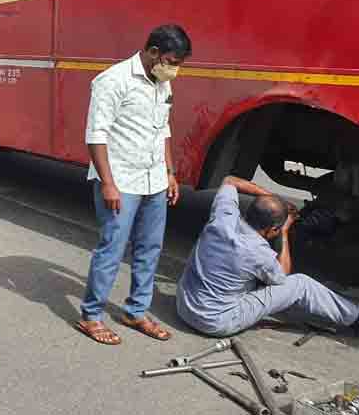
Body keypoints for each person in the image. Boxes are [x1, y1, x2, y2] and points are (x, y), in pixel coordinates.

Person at [75, 24, 191, 345]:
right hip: (121, 180)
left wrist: (169, 172)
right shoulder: (112, 81)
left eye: (179, 63)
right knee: (112, 249)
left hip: (154, 178)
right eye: (171, 61)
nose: (174, 69)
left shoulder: (161, 82)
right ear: (153, 52)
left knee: (149, 249)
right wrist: (108, 184)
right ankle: (91, 316)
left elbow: (163, 129)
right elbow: (96, 136)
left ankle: (136, 311)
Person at [176, 176, 359, 337]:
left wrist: (271, 198)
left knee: (252, 278)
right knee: (301, 284)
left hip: (184, 307)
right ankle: (355, 316)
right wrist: (285, 232)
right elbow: (283, 277)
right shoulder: (260, 253)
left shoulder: (222, 218)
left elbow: (230, 181)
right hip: (215, 322)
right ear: (273, 230)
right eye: (277, 230)